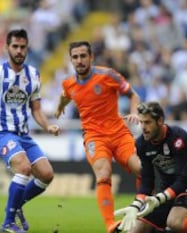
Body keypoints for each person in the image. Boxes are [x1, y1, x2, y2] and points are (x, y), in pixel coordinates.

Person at [0, 28, 60, 233]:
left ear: (27, 48)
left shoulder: (33, 74)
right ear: (6, 47)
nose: (19, 50)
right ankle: (8, 223)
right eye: (15, 46)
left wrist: (47, 126)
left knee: (46, 174)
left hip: (23, 135)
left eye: (23, 47)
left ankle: (16, 205)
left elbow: (36, 109)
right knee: (24, 168)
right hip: (2, 133)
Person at [54, 41, 141, 233]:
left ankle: (142, 215)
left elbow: (132, 94)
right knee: (103, 173)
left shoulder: (107, 75)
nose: (79, 60)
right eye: (75, 57)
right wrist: (60, 107)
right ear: (71, 60)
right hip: (95, 137)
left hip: (119, 134)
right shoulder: (69, 83)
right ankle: (111, 225)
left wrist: (134, 112)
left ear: (91, 57)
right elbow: (65, 95)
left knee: (142, 169)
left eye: (83, 56)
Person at [115, 101, 187, 233]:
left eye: (147, 122)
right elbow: (147, 180)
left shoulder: (178, 138)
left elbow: (182, 179)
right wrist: (135, 205)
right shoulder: (142, 144)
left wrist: (159, 198)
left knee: (175, 222)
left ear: (160, 121)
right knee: (135, 230)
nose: (143, 127)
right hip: (166, 191)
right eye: (141, 122)